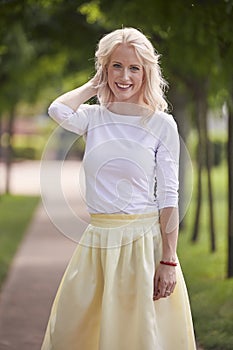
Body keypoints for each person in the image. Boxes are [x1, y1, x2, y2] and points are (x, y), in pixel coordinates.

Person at [41, 27, 196, 350]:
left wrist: (168, 261)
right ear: (104, 68)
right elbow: (57, 109)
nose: (124, 76)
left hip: (143, 247)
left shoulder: (160, 124)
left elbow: (169, 195)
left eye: (134, 68)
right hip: (97, 242)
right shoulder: (93, 118)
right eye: (116, 66)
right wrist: (95, 85)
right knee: (73, 333)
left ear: (146, 73)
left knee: (139, 337)